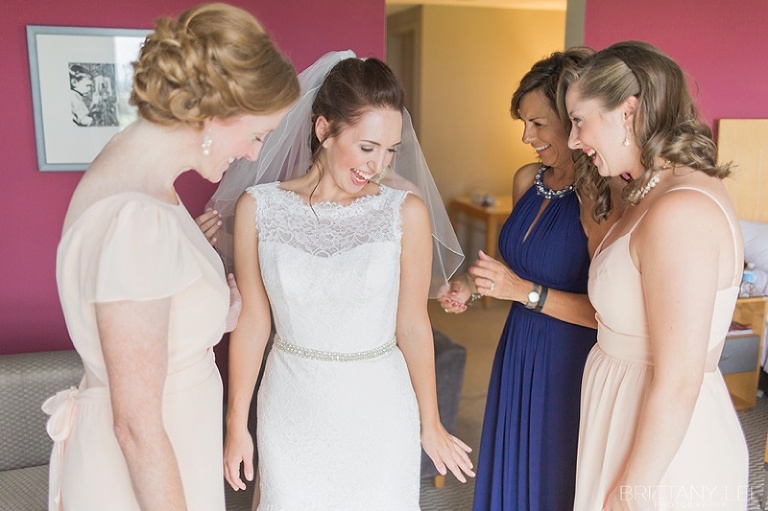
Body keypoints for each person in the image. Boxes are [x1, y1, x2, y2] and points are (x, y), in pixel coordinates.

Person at [44, 4, 299, 510]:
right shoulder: (138, 221)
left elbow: (150, 319)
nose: (252, 154)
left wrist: (211, 307)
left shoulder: (138, 175)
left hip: (173, 447)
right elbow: (136, 426)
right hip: (147, 472)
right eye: (257, 135)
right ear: (215, 113)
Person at [212, 51, 474, 510]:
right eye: (367, 147)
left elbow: (412, 326)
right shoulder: (261, 207)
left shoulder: (403, 212)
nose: (377, 165)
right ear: (323, 130)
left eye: (390, 151)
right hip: (292, 404)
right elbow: (252, 323)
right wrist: (237, 426)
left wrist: (430, 420)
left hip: (379, 409)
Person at [560, 40, 749, 510]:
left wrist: (633, 490)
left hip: (662, 456)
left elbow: (681, 378)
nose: (572, 140)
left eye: (580, 120)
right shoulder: (649, 192)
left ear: (627, 112)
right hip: (625, 418)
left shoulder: (680, 210)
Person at [438, 48, 623, 510]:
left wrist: (524, 293)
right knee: (513, 470)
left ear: (574, 120)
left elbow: (610, 314)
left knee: (551, 476)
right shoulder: (527, 180)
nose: (526, 136)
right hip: (519, 346)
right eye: (523, 123)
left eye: (539, 123)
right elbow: (513, 268)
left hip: (570, 359)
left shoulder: (599, 195)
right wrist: (468, 282)